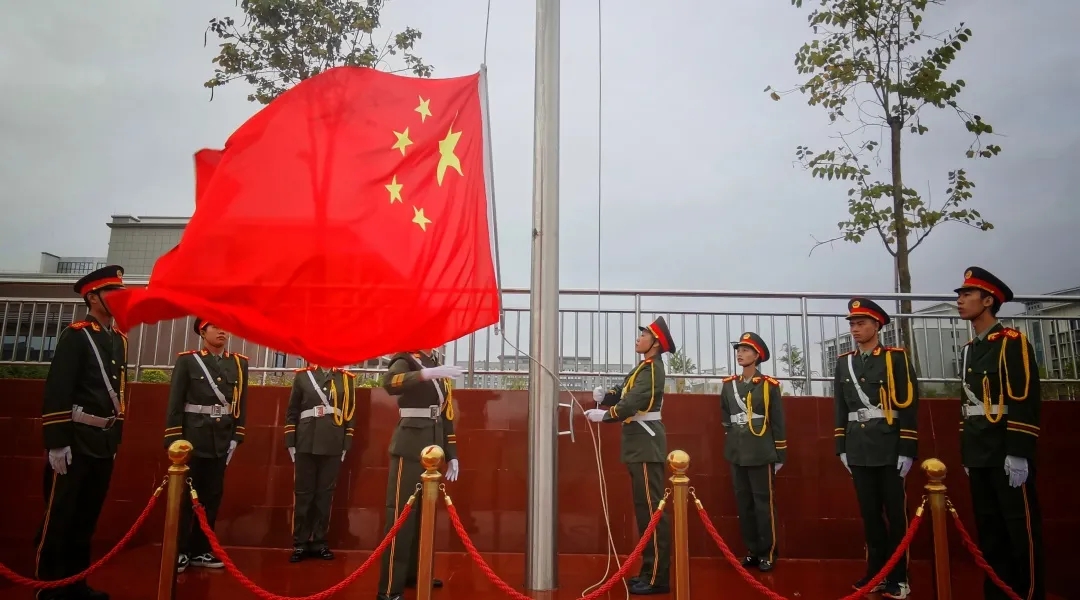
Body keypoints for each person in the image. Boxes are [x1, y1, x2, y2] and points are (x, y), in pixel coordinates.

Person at [34, 265, 128, 600]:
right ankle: (48, 588)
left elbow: (121, 391)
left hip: (103, 441)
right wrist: (57, 443)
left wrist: (115, 437)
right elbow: (58, 388)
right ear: (93, 297)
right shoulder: (76, 335)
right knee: (60, 517)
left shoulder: (118, 340)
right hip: (74, 440)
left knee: (86, 520)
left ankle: (76, 585)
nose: (118, 298)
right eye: (111, 292)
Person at [955, 267, 1043, 600]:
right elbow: (967, 404)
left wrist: (1018, 450)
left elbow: (1024, 398)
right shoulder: (969, 350)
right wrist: (967, 453)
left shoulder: (1011, 342)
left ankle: (1029, 594)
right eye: (960, 295)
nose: (960, 301)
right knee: (989, 533)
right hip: (979, 451)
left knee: (1020, 531)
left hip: (1006, 449)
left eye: (967, 295)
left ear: (988, 300)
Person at [833, 298, 919, 599]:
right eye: (852, 324)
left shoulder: (895, 358)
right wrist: (841, 446)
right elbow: (840, 406)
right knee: (869, 515)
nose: (855, 329)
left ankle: (899, 576)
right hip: (858, 447)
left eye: (861, 323)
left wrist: (907, 447)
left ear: (877, 326)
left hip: (889, 445)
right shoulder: (844, 362)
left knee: (896, 515)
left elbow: (909, 404)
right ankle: (876, 573)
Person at [586, 316, 674, 596]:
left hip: (646, 443)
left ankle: (657, 577)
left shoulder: (653, 369)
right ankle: (649, 571)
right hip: (638, 444)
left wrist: (606, 415)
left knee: (652, 511)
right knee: (644, 510)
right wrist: (606, 397)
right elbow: (624, 391)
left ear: (655, 343)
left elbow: (633, 403)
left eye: (644, 335)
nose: (638, 338)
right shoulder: (642, 368)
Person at [377, 348, 464, 600]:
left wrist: (452, 453)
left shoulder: (433, 362)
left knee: (424, 517)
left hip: (433, 448)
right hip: (410, 445)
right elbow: (390, 383)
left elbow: (445, 414)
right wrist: (424, 374)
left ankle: (416, 572)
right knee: (401, 516)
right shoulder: (405, 359)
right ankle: (390, 587)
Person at [163, 318, 248, 573]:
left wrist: (236, 436)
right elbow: (176, 402)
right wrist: (174, 439)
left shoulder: (238, 363)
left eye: (225, 326)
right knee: (185, 498)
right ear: (202, 331)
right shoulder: (188, 361)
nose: (222, 331)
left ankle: (201, 549)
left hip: (220, 439)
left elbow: (241, 402)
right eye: (216, 326)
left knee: (211, 497)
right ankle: (180, 550)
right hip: (192, 438)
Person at [719, 332, 787, 572]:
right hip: (737, 451)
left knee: (763, 504)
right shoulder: (729, 385)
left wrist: (780, 453)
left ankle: (768, 551)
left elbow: (777, 420)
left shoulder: (768, 385)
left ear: (757, 355)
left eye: (746, 350)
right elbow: (726, 416)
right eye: (738, 349)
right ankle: (752, 551)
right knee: (744, 504)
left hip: (761, 450)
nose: (740, 353)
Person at [284, 362, 358, 562]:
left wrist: (346, 443)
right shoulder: (303, 376)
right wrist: (290, 441)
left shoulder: (346, 379)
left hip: (333, 441)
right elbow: (292, 411)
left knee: (325, 495)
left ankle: (319, 541)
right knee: (303, 494)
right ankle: (300, 543)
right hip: (305, 440)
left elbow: (350, 412)